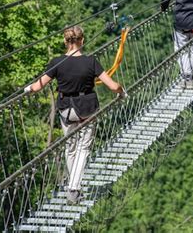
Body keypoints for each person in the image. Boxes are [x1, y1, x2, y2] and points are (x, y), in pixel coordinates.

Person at [24, 26, 125, 204]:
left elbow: (37, 86)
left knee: (70, 147)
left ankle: (72, 185)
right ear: (82, 41)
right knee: (83, 148)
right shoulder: (91, 61)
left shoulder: (57, 62)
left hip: (66, 110)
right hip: (87, 110)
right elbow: (112, 86)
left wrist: (26, 90)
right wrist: (121, 91)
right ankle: (73, 188)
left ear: (65, 42)